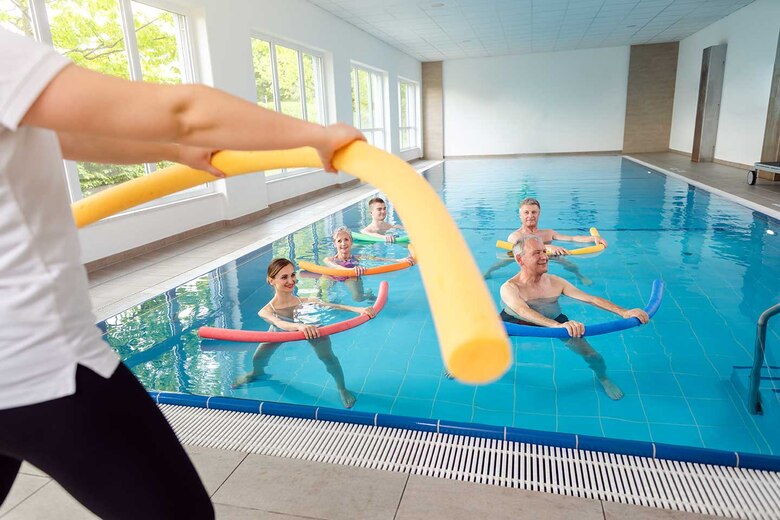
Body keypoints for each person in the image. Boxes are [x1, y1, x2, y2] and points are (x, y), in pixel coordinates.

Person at [0, 27, 364, 519]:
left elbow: (61, 133)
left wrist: (170, 152)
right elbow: (183, 111)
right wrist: (317, 136)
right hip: (36, 368)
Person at [500, 235, 649, 400]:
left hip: (555, 319)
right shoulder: (510, 287)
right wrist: (556, 327)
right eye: (537, 253)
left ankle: (603, 377)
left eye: (544, 251)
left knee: (594, 356)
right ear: (520, 259)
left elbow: (590, 299)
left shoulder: (556, 282)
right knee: (484, 342)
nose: (544, 257)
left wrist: (624, 312)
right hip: (515, 321)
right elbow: (522, 310)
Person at [233, 259, 375, 408]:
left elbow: (334, 306)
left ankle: (342, 389)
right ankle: (256, 373)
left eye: (292, 275)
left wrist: (360, 310)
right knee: (259, 356)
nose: (291, 280)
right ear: (271, 280)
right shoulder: (266, 311)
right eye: (284, 277)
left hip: (310, 328)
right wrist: (298, 326)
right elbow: (280, 324)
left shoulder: (306, 301)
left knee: (328, 357)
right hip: (282, 330)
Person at [483, 197, 607, 284]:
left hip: (548, 256)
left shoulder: (547, 233)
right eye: (526, 212)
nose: (530, 215)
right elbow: (526, 244)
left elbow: (572, 238)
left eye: (533, 212)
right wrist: (548, 248)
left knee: (569, 264)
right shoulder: (514, 236)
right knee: (503, 262)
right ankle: (488, 272)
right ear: (520, 215)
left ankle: (580, 276)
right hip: (524, 257)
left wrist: (593, 238)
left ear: (539, 214)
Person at [323, 226, 414, 301]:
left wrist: (399, 260)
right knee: (322, 290)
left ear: (351, 242)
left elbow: (377, 259)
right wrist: (352, 269)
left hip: (351, 276)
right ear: (334, 244)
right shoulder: (329, 259)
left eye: (346, 239)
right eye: (339, 241)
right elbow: (336, 267)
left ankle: (369, 294)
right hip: (334, 276)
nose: (343, 243)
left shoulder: (357, 258)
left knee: (358, 298)